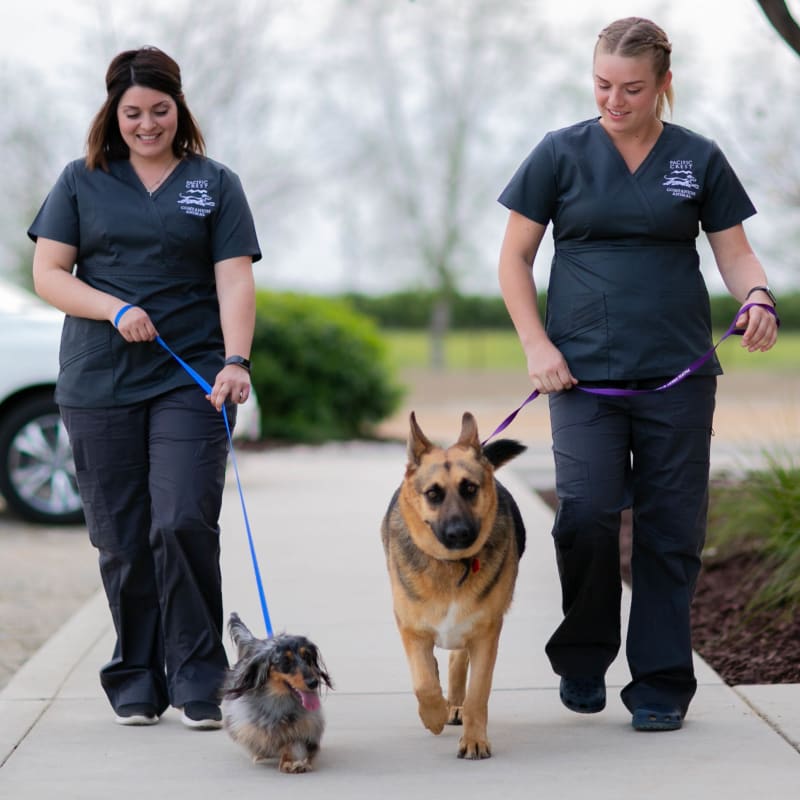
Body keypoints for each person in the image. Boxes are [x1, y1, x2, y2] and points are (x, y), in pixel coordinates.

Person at [497, 17, 778, 731]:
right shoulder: (559, 154)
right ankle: (585, 653)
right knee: (586, 515)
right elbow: (513, 261)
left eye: (630, 89)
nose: (613, 101)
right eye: (601, 85)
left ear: (663, 87)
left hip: (679, 376)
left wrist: (757, 294)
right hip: (580, 378)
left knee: (671, 530)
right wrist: (537, 345)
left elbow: (735, 252)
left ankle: (659, 682)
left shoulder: (698, 158)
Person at [28, 46, 261, 730]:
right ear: (113, 113)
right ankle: (136, 672)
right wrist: (114, 308)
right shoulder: (80, 181)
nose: (147, 124)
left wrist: (237, 360)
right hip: (99, 382)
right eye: (133, 112)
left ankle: (198, 674)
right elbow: (49, 273)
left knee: (184, 520)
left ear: (178, 109)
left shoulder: (214, 183)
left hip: (190, 377)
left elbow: (236, 277)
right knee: (123, 540)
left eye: (160, 110)